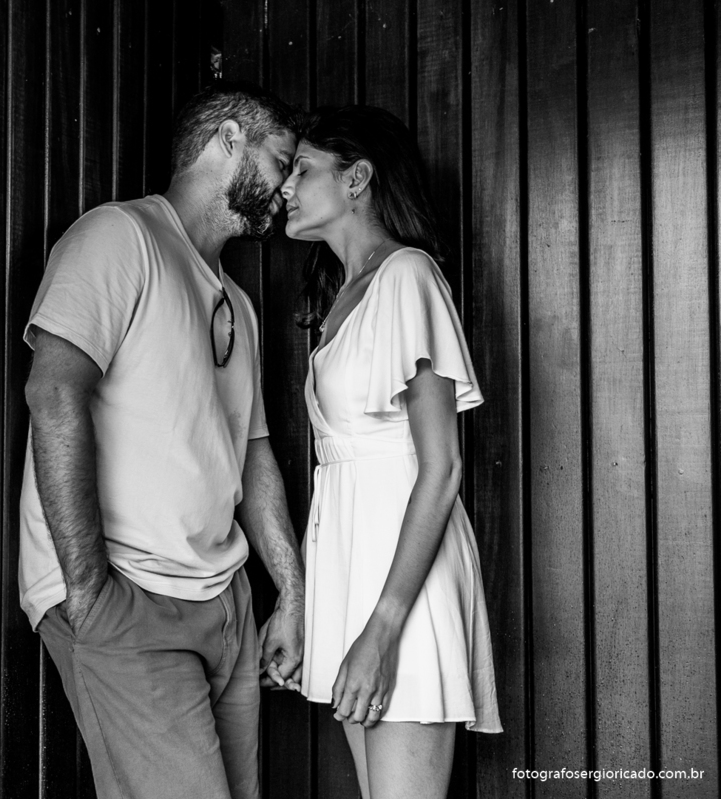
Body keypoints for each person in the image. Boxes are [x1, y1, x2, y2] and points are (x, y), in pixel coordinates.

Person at [18, 81, 305, 799]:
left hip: (226, 604)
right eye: (280, 160)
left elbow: (253, 456)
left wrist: (292, 594)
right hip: (128, 598)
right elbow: (53, 394)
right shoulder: (120, 236)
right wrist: (89, 592)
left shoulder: (238, 304)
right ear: (229, 139)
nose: (287, 186)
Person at [278, 105, 502, 799]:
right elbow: (343, 468)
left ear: (357, 179)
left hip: (401, 588)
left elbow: (442, 467)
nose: (286, 186)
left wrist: (382, 627)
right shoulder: (346, 293)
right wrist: (308, 606)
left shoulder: (407, 276)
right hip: (354, 575)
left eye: (302, 169)